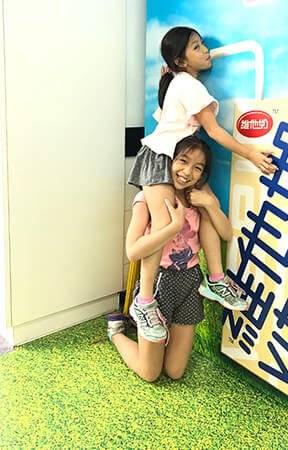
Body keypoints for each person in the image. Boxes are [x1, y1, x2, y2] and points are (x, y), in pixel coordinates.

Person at [127, 26, 276, 343]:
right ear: (181, 60)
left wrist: (169, 77)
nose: (205, 50)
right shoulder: (188, 84)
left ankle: (216, 279)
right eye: (196, 47)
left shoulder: (178, 83)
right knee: (162, 224)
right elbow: (215, 131)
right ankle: (144, 301)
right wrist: (251, 153)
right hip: (161, 157)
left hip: (177, 156)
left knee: (209, 207)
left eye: (203, 44)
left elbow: (165, 117)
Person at [108, 136, 237, 381]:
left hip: (190, 282)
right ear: (168, 161)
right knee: (150, 373)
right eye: (182, 161)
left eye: (197, 167)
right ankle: (116, 333)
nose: (187, 172)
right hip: (159, 282)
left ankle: (156, 340)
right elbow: (133, 251)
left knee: (175, 371)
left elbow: (226, 233)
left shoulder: (197, 198)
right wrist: (173, 226)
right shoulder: (147, 199)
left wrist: (210, 204)